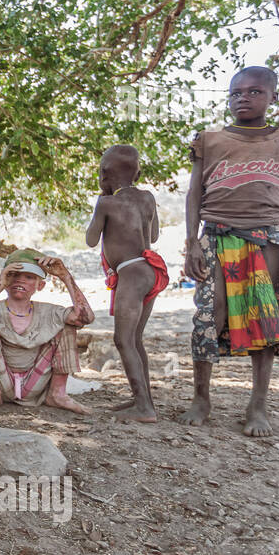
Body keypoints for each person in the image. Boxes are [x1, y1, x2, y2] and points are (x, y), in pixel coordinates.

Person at [177, 66, 279, 436]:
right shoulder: (209, 139)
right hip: (215, 236)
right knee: (208, 316)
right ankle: (201, 399)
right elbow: (194, 194)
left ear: (273, 97)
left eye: (253, 92)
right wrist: (191, 243)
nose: (242, 99)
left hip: (266, 239)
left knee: (267, 320)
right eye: (235, 93)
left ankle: (258, 405)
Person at [85, 145, 167, 422]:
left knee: (122, 339)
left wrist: (102, 205)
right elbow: (153, 236)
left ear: (104, 173)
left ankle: (143, 407)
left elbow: (91, 239)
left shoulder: (106, 203)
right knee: (136, 339)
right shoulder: (148, 198)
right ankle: (142, 399)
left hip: (130, 273)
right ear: (138, 173)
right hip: (150, 268)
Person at [0, 250, 95, 414]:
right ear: (5, 280)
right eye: (14, 275)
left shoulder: (49, 312)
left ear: (39, 285)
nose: (20, 280)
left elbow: (85, 317)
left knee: (68, 324)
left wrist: (65, 277)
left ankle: (58, 393)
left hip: (36, 382)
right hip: (1, 381)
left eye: (29, 277)